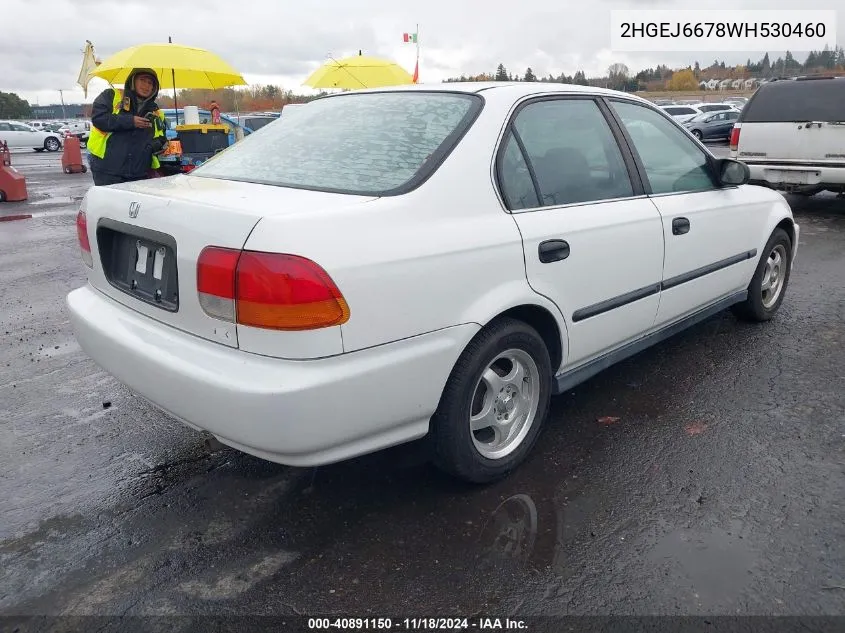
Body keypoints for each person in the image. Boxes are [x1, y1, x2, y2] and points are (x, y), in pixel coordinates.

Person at [87, 68, 168, 186]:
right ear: (133, 80)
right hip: (108, 170)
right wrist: (130, 121)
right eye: (143, 80)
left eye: (150, 83)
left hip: (139, 173)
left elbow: (161, 137)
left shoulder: (157, 112)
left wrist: (151, 147)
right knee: (109, 205)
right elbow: (99, 119)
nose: (146, 86)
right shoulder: (111, 95)